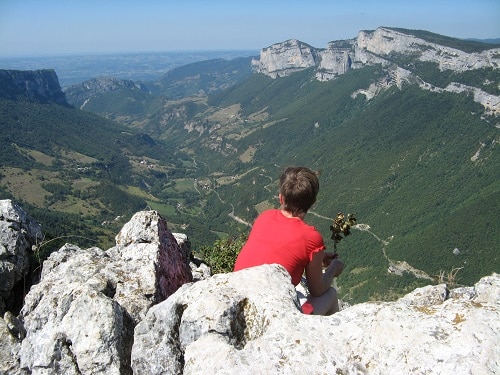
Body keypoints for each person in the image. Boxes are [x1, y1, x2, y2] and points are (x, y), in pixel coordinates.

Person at [234, 166, 344, 315]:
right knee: (329, 294)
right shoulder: (311, 238)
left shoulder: (264, 217)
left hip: (236, 301)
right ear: (312, 203)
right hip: (268, 315)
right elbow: (317, 290)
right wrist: (333, 269)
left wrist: (319, 258)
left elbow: (276, 249)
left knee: (298, 294)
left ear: (281, 198)